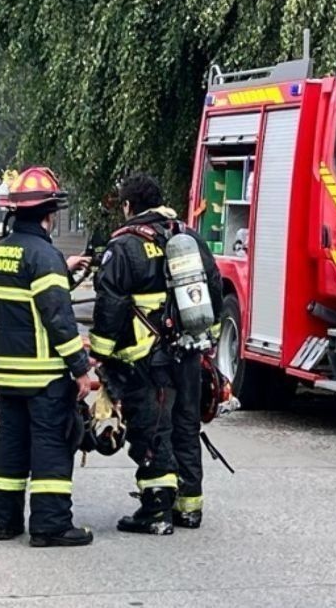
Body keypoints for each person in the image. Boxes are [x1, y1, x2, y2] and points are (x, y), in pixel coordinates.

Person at [89, 173, 223, 535]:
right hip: (190, 353)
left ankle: (156, 511)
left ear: (130, 205)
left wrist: (101, 354)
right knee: (186, 425)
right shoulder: (188, 237)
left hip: (148, 358)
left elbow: (111, 303)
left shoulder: (125, 245)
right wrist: (207, 341)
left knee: (153, 429)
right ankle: (189, 507)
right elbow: (214, 285)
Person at [0, 166, 94, 547]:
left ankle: (5, 521)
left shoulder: (2, 252)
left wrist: (63, 268)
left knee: (11, 445)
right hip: (43, 374)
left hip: (10, 372)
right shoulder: (44, 256)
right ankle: (50, 526)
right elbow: (58, 319)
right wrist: (80, 370)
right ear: (49, 214)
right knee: (51, 445)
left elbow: (24, 295)